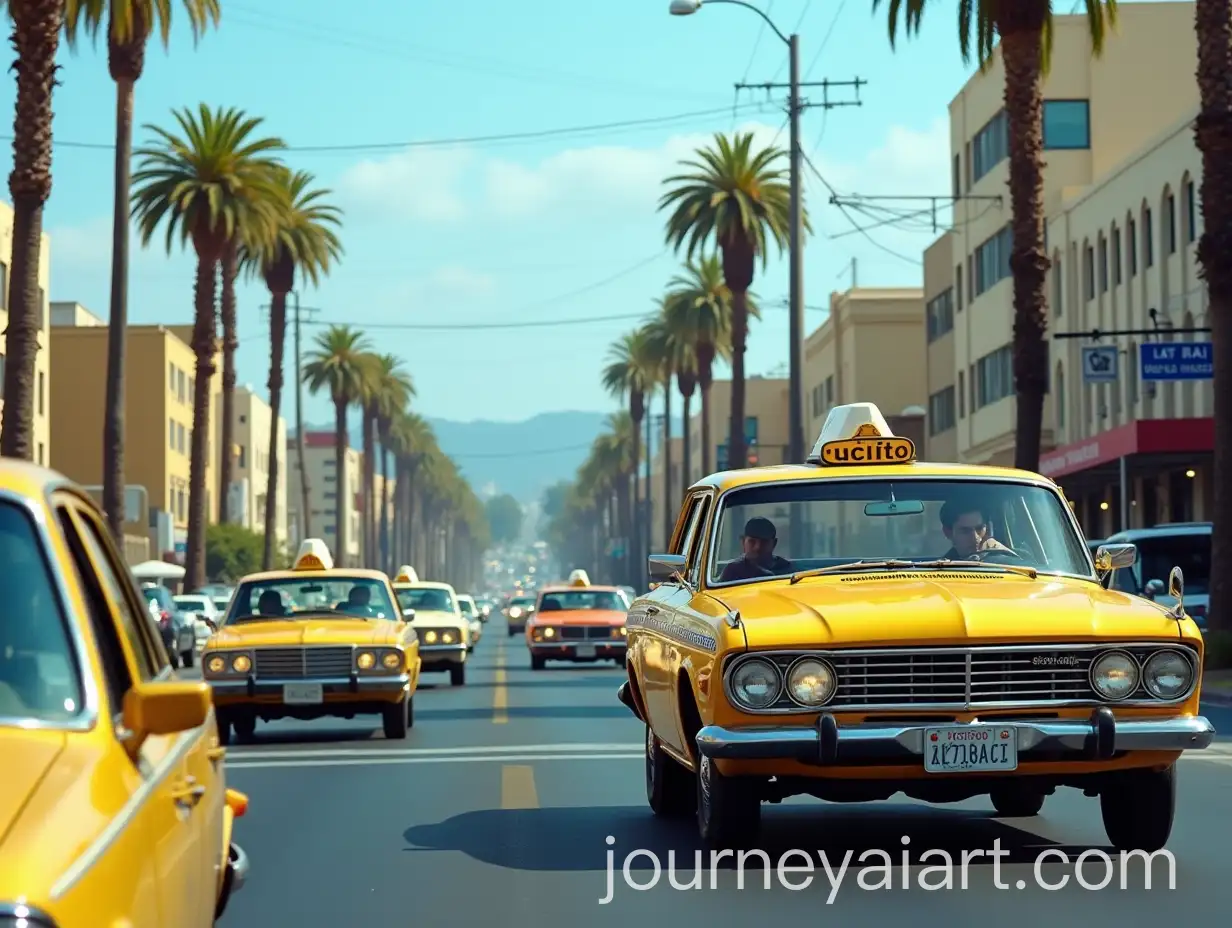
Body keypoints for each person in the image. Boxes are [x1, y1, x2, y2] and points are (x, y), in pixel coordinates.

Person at [720, 517, 793, 581]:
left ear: (774, 544)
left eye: (764, 542)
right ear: (743, 542)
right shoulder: (733, 570)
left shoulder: (786, 569)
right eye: (752, 541)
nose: (757, 547)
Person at [939, 500, 1009, 560]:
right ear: (948, 533)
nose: (975, 538)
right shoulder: (942, 572)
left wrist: (1003, 553)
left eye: (979, 528)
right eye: (965, 531)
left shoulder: (1006, 561)